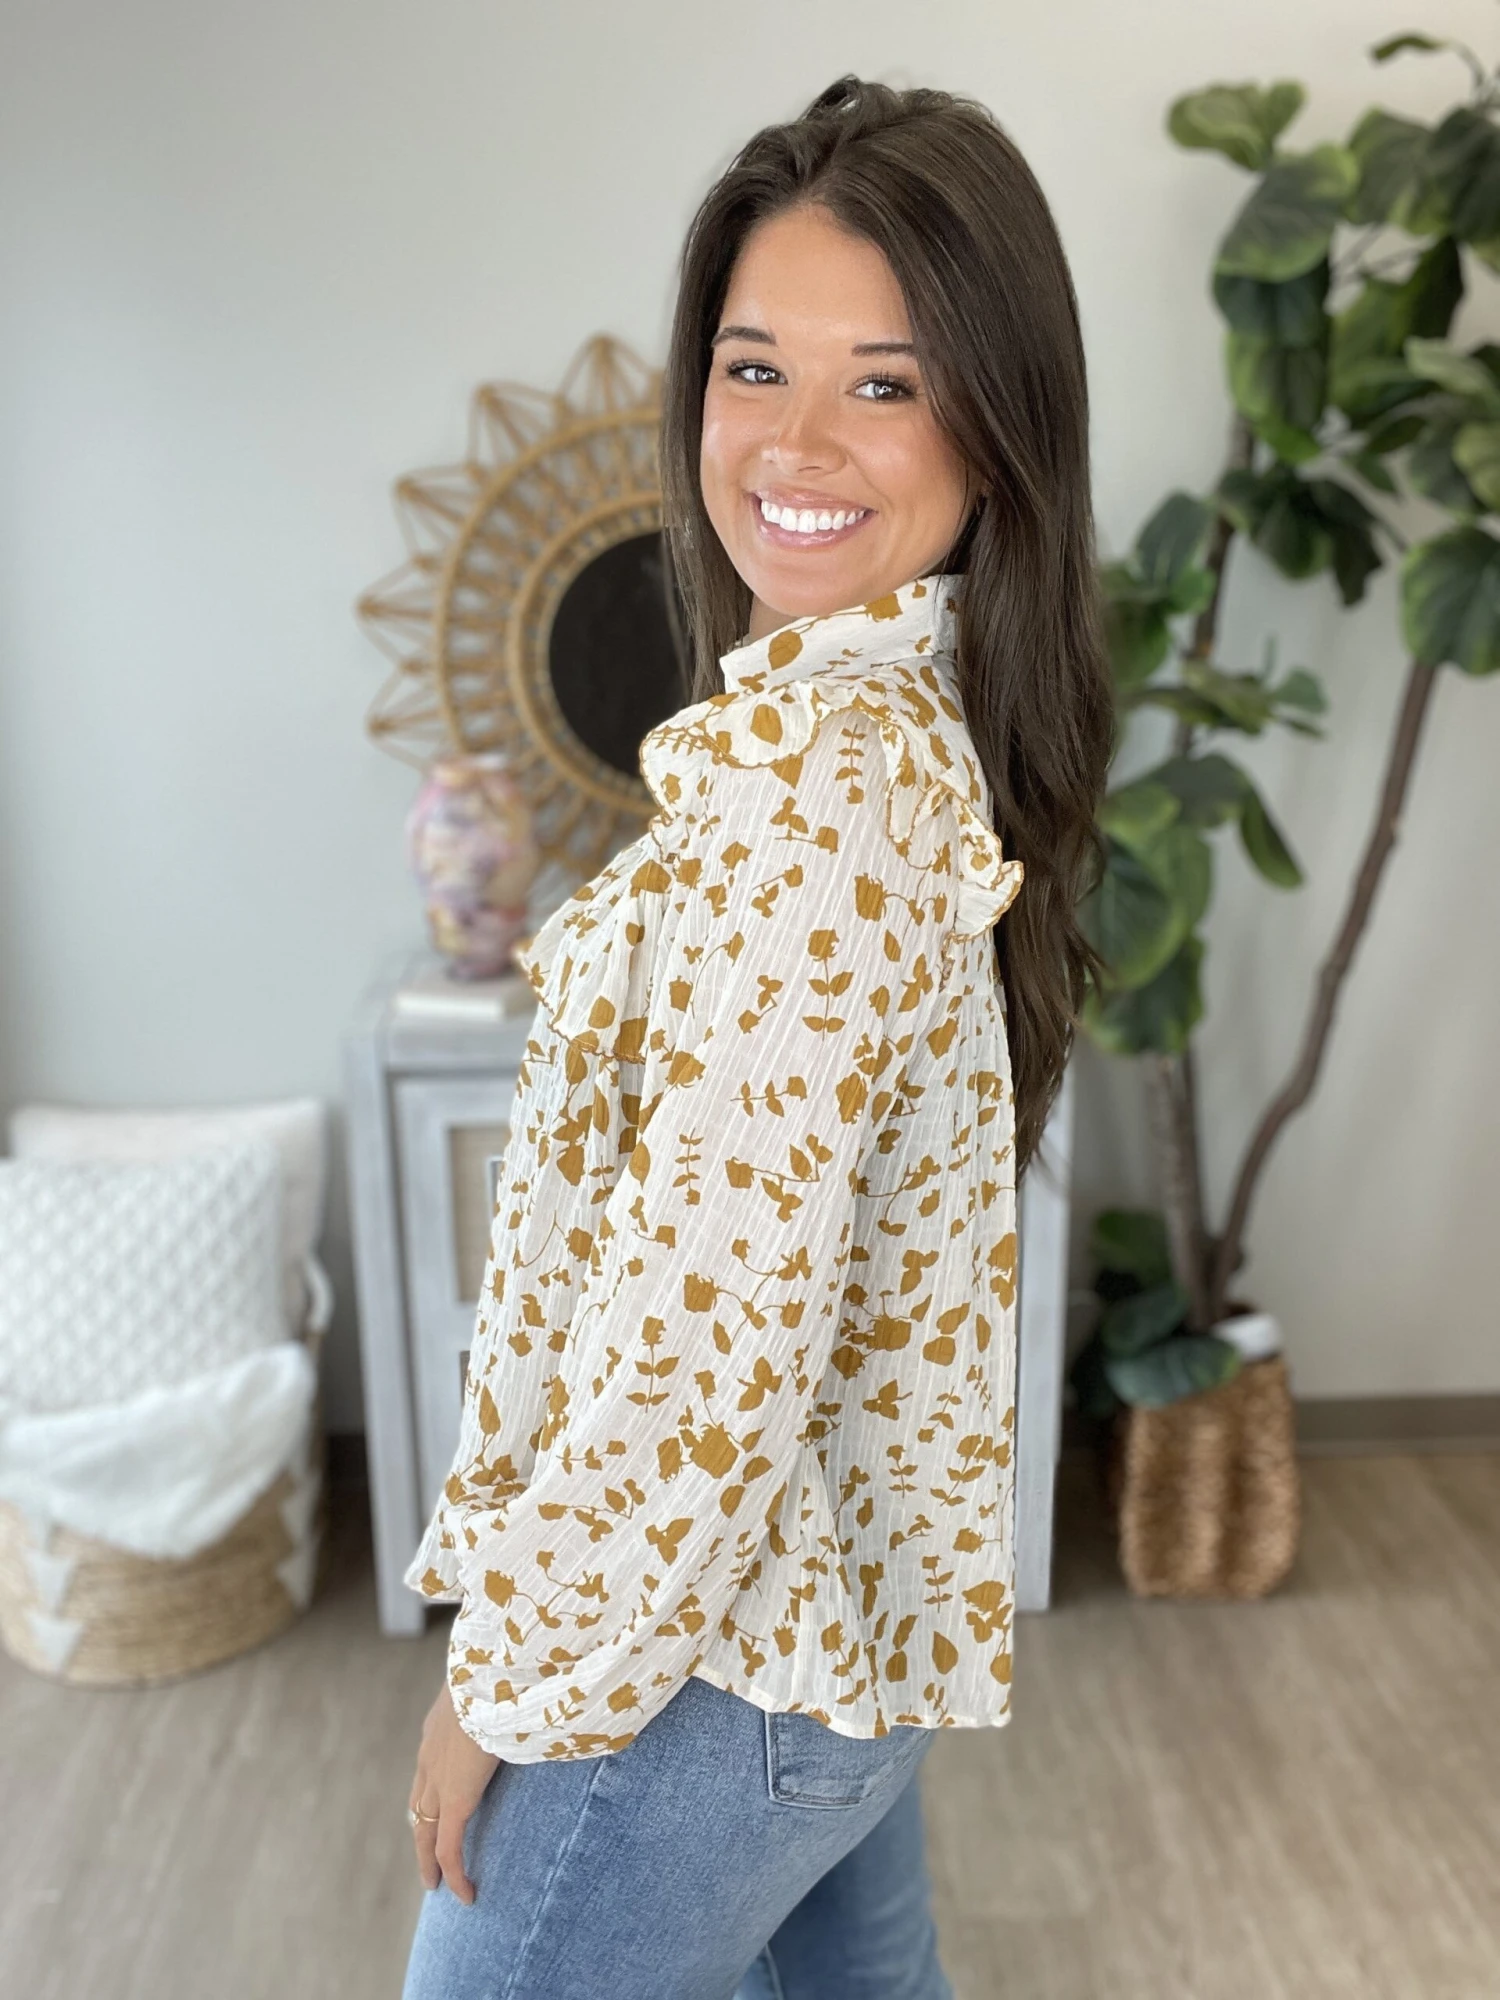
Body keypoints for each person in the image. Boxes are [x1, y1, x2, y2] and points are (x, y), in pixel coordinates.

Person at [400, 72, 1112, 2000]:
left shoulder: (822, 787)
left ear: (997, 428)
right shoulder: (874, 729)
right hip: (814, 1645)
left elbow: (704, 1331)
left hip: (701, 1669)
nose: (796, 442)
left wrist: (501, 1687)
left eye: (885, 383)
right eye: (752, 367)